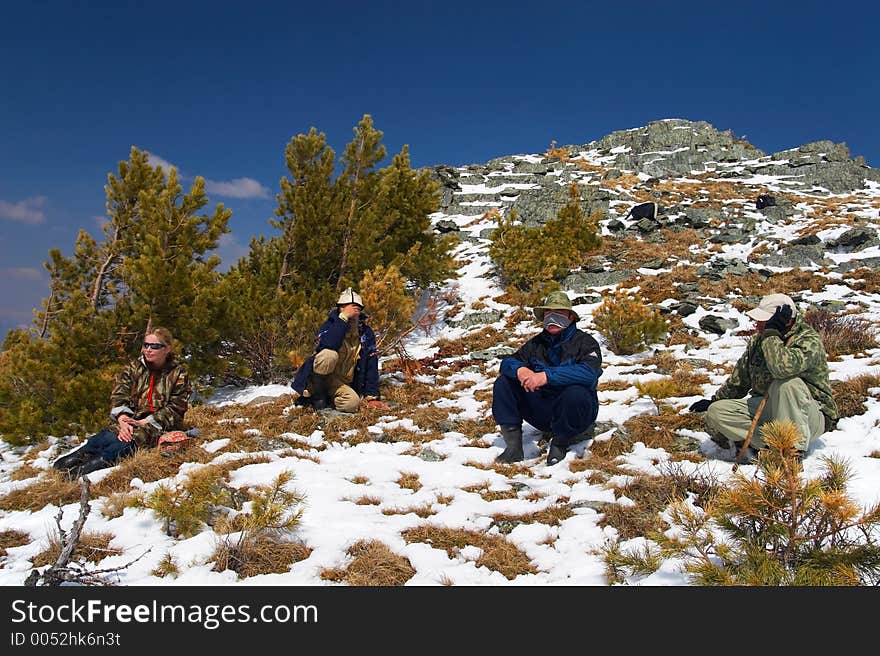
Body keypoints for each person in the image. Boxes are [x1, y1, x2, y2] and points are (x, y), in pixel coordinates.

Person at [689, 293, 838, 462]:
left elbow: (781, 369)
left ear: (786, 321)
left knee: (786, 384)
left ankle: (791, 452)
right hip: (768, 406)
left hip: (808, 415)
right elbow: (740, 379)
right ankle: (771, 445)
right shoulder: (758, 340)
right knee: (717, 412)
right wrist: (715, 400)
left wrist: (772, 335)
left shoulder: (808, 341)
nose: (758, 325)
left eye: (764, 321)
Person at [53, 327, 192, 478]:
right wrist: (123, 419)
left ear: (167, 349)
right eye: (146, 345)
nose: (149, 350)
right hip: (131, 419)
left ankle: (81, 473)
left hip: (158, 424)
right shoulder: (134, 368)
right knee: (105, 437)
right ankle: (79, 457)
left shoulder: (178, 374)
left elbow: (176, 407)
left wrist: (145, 421)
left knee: (123, 445)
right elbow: (120, 394)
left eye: (155, 346)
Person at [492, 290, 603, 465]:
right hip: (544, 412)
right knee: (504, 382)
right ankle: (513, 447)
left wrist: (546, 376)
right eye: (548, 314)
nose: (552, 318)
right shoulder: (535, 344)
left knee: (575, 392)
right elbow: (507, 363)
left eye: (558, 313)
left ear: (571, 317)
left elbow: (588, 373)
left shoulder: (585, 342)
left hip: (576, 415)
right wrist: (521, 370)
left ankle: (560, 443)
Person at [291, 287, 387, 413]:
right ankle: (318, 396)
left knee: (352, 404)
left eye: (356, 309)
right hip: (321, 376)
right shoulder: (330, 325)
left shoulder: (366, 333)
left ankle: (328, 398)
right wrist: (343, 319)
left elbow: (371, 362)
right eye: (347, 308)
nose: (352, 313)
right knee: (328, 355)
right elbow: (328, 345)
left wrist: (372, 396)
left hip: (341, 382)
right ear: (340, 309)